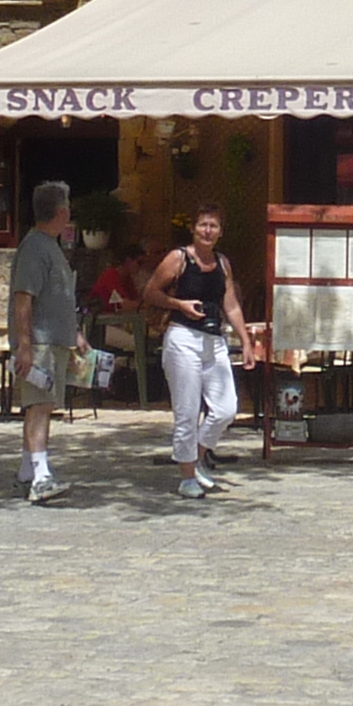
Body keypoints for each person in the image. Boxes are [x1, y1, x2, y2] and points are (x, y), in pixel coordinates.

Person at [146, 205, 257, 498]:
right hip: (183, 338)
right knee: (187, 411)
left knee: (226, 408)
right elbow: (151, 291)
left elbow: (230, 303)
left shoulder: (222, 264)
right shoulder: (179, 258)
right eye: (203, 225)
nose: (208, 231)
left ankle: (194, 456)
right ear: (194, 229)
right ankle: (187, 477)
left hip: (214, 338)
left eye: (214, 226)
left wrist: (245, 341)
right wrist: (179, 305)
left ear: (220, 232)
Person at [7, 179, 83, 504]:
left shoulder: (48, 245)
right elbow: (23, 298)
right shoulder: (36, 248)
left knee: (43, 404)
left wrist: (75, 334)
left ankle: (28, 470)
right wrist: (24, 346)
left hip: (53, 341)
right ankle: (41, 477)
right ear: (61, 211)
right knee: (39, 406)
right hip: (39, 343)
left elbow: (58, 297)